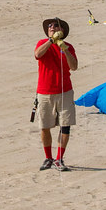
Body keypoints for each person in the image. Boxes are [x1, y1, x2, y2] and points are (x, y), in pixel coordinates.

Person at [35, 17, 78, 171]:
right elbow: (38, 54)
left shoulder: (69, 47)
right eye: (50, 26)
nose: (52, 27)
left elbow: (74, 66)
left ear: (62, 31)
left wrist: (64, 48)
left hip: (64, 91)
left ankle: (59, 159)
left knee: (65, 126)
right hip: (45, 92)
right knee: (44, 126)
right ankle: (48, 157)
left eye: (55, 26)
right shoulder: (42, 43)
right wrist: (50, 41)